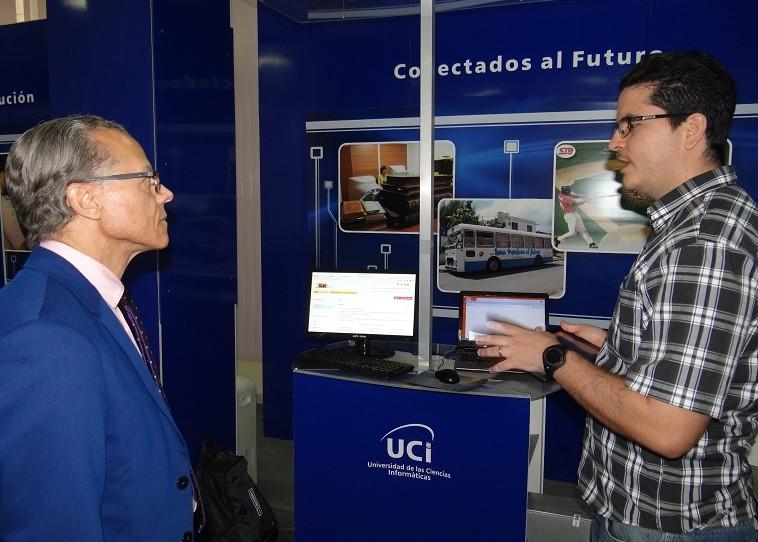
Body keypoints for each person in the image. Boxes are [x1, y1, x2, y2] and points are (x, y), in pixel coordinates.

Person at [477, 51, 758, 541]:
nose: (614, 141)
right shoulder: (691, 226)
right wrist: (612, 349)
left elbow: (668, 430)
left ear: (691, 129)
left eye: (631, 124)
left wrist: (552, 357)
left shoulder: (704, 245)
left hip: (667, 529)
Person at [0, 115, 198, 541]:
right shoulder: (46, 339)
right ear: (85, 200)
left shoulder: (83, 300)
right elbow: (52, 525)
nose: (165, 194)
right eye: (148, 179)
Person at [554, 184, 597, 248]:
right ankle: (558, 239)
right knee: (572, 233)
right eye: (568, 191)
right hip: (570, 216)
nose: (570, 192)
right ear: (566, 192)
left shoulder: (561, 194)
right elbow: (576, 204)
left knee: (583, 230)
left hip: (574, 214)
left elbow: (573, 195)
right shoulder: (566, 199)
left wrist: (583, 195)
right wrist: (586, 200)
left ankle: (591, 243)